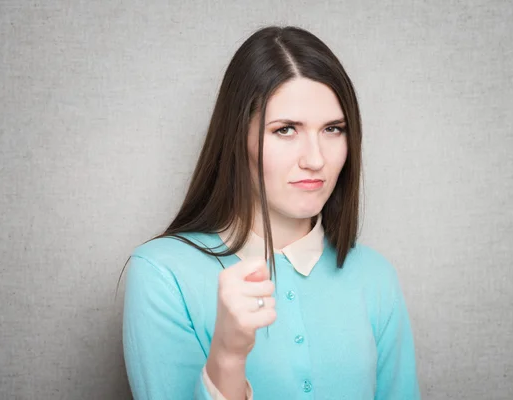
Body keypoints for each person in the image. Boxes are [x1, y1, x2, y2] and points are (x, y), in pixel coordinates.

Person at [121, 25, 420, 399]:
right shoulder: (162, 275)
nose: (315, 160)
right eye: (285, 130)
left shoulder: (375, 277)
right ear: (237, 136)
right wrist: (227, 357)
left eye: (332, 129)